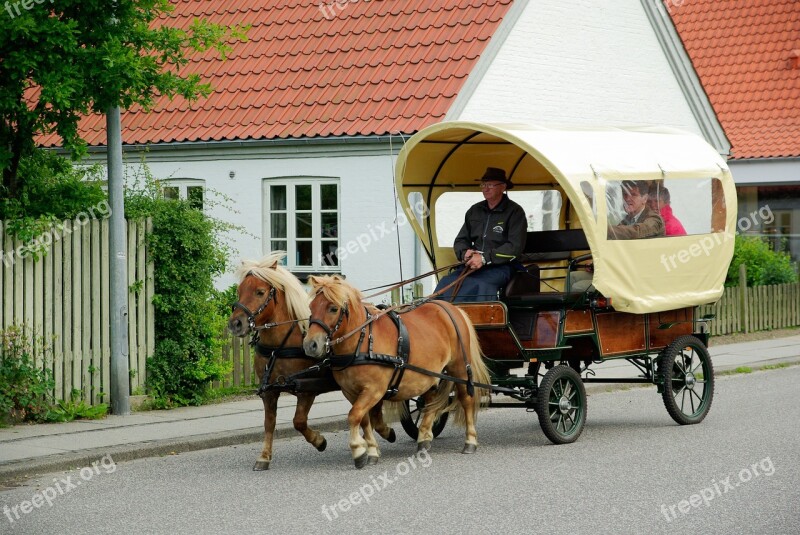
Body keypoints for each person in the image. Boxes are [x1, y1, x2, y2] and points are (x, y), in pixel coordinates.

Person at [435, 167, 527, 302]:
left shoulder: (515, 212)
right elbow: (461, 240)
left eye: (490, 185)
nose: (485, 189)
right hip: (472, 265)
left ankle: (479, 321)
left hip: (501, 267)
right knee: (446, 282)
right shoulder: (474, 210)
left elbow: (515, 248)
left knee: (479, 284)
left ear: (503, 187)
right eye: (483, 185)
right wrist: (464, 253)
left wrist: (484, 258)